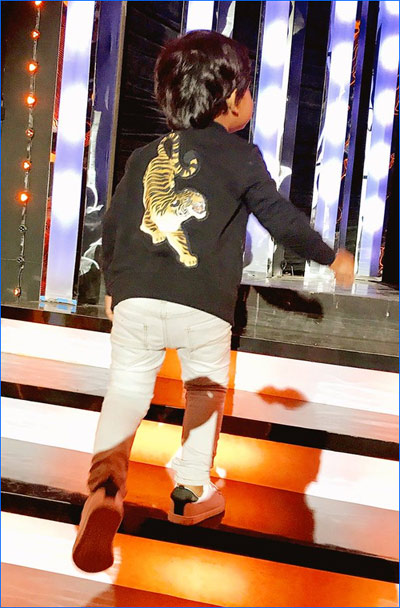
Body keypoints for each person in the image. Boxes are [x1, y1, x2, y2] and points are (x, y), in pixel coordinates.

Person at [72, 30, 354, 573]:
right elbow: (280, 220)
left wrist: (112, 286)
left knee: (126, 392)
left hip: (136, 300)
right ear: (230, 98)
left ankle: (105, 489)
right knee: (202, 392)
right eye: (247, 88)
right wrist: (329, 255)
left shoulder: (145, 155)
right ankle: (189, 493)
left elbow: (114, 226)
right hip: (203, 306)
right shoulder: (241, 157)